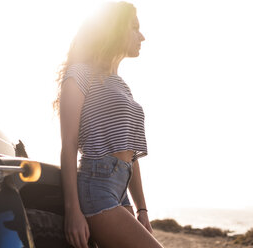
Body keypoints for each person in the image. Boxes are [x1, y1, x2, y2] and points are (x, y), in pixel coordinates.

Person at [54, 2, 163, 247]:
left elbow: (131, 155)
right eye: (134, 27)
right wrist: (73, 211)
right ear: (113, 30)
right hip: (96, 186)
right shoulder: (79, 74)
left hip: (120, 190)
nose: (142, 36)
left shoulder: (121, 85)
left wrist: (142, 209)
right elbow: (69, 144)